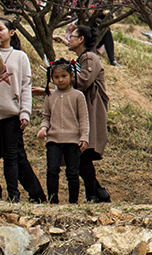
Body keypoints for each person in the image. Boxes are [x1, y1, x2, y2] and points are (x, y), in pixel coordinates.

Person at [64, 23, 111, 202]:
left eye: (72, 37)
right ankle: (97, 193)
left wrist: (61, 76)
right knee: (81, 156)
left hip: (92, 110)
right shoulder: (84, 57)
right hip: (86, 110)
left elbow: (83, 81)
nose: (69, 40)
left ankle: (95, 194)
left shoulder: (89, 57)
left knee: (82, 154)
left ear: (81, 39)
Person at [37, 59, 89, 204]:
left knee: (72, 172)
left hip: (73, 141)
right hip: (53, 140)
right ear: (51, 78)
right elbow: (46, 116)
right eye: (56, 77)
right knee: (52, 170)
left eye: (63, 76)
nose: (60, 80)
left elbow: (83, 118)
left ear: (71, 76)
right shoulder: (50, 96)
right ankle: (53, 201)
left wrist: (84, 137)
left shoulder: (78, 96)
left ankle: (73, 202)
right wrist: (43, 128)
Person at [0, 17, 32, 202]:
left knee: (11, 157)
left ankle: (13, 195)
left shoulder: (20, 56)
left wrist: (25, 111)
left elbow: (26, 86)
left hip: (11, 114)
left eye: (0, 29)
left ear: (11, 32)